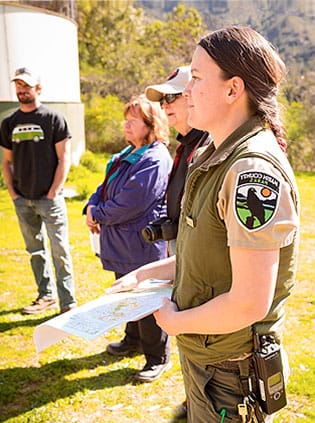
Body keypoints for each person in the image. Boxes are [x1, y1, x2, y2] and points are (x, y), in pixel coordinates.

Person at [107, 26, 300, 422]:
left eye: (195, 78)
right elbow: (206, 256)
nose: (187, 91)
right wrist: (144, 274)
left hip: (231, 368)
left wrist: (177, 322)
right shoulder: (213, 153)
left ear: (233, 89)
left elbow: (249, 301)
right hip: (211, 359)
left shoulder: (250, 171)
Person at [85, 94, 173, 382]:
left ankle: (157, 357)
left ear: (151, 124)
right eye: (126, 119)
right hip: (122, 244)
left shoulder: (155, 158)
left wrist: (98, 214)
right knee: (126, 294)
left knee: (147, 302)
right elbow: (104, 187)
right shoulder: (126, 154)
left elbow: (130, 203)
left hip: (141, 244)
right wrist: (91, 206)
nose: (126, 124)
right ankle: (132, 339)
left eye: (133, 120)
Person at [0, 67, 76, 315]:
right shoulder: (9, 122)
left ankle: (68, 302)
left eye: (27, 86)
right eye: (19, 86)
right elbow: (7, 161)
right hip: (23, 199)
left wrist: (54, 191)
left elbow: (64, 158)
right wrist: (13, 193)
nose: (22, 90)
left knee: (60, 250)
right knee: (35, 251)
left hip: (49, 199)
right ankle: (45, 296)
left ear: (38, 89)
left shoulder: (53, 119)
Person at [144, 65, 209, 256]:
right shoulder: (185, 145)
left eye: (171, 97)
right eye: (163, 101)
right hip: (180, 251)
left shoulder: (209, 145)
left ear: (193, 95)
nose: (165, 105)